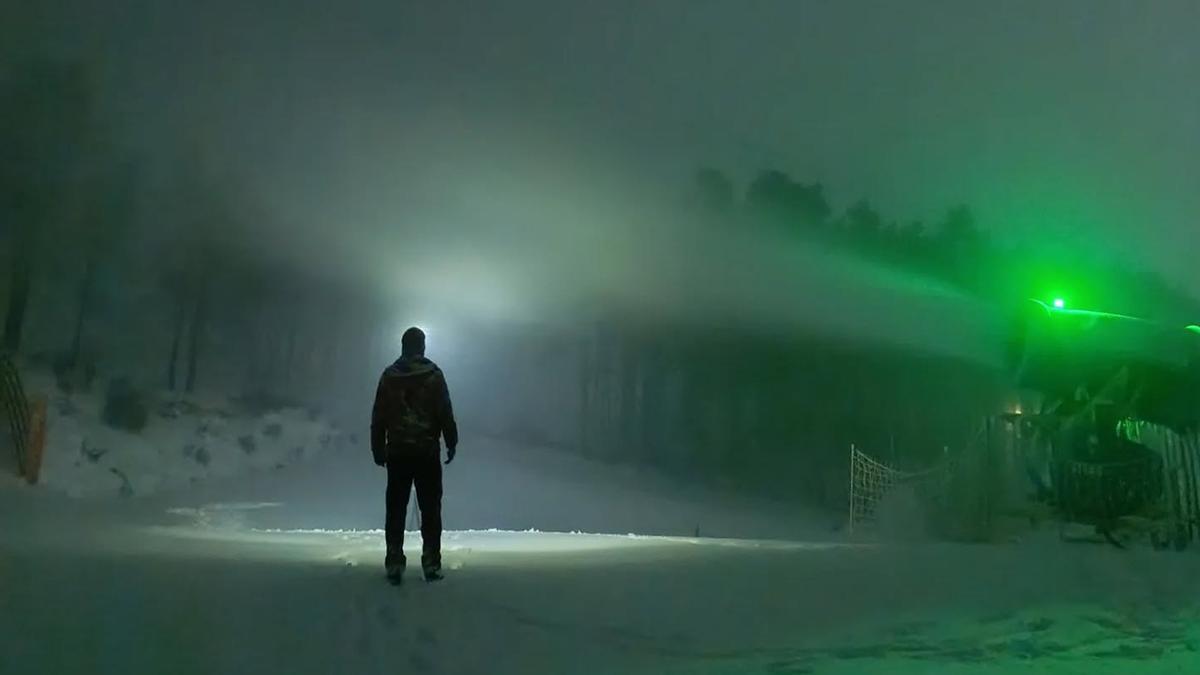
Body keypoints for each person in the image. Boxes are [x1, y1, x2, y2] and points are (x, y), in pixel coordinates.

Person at [371, 327, 458, 583]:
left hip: (398, 452)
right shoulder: (433, 376)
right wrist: (451, 441)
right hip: (426, 452)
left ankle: (395, 563)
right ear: (422, 346)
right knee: (430, 509)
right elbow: (444, 411)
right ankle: (431, 563)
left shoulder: (389, 376)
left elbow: (379, 416)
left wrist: (378, 448)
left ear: (402, 346)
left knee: (396, 509)